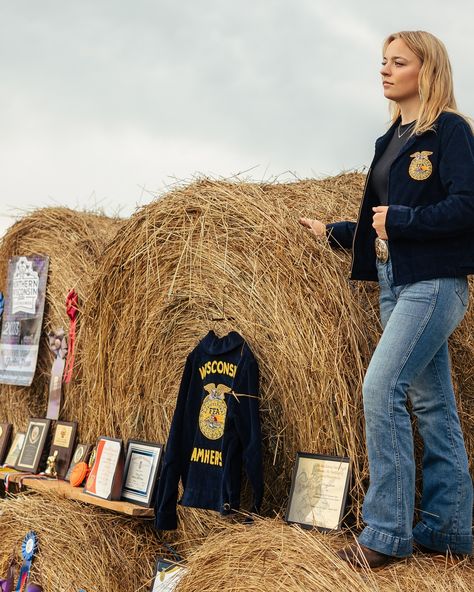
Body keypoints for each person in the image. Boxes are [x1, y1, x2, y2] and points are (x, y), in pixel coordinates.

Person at [299, 30, 474, 569]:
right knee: (433, 404)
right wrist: (336, 231)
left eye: (398, 62)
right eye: (383, 62)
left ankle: (387, 531)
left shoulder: (449, 132)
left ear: (427, 71)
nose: (385, 70)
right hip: (394, 284)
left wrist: (401, 220)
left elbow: (466, 205)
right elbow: (380, 223)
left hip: (435, 283)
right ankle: (449, 529)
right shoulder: (388, 142)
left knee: (381, 388)